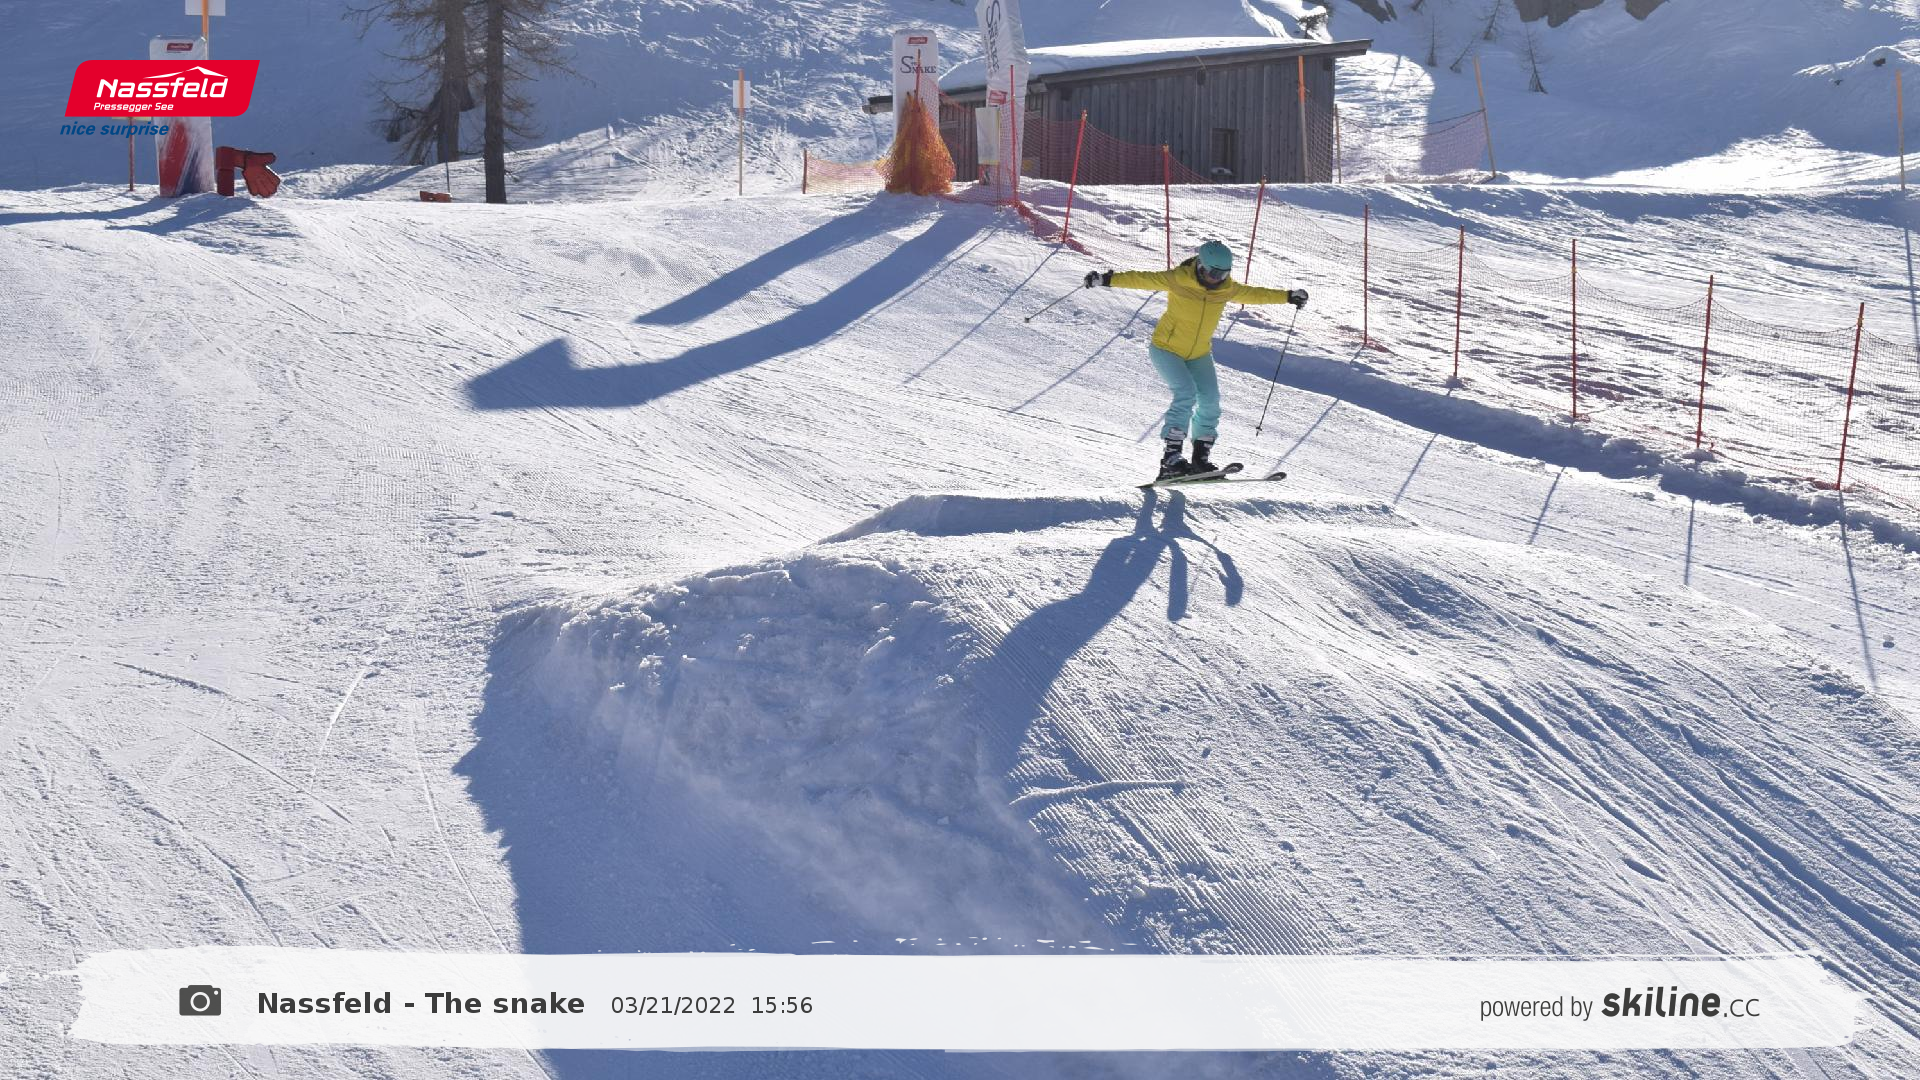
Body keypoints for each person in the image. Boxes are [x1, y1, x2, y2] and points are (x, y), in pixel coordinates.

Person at [1085, 240, 1308, 480]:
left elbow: (1255, 294)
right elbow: (1141, 279)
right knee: (1186, 393)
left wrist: (1288, 296)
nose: (1216, 278)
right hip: (1166, 349)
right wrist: (1105, 279)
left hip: (1199, 353)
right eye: (1213, 272)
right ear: (1200, 266)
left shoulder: (1226, 288)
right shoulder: (1178, 279)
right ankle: (1171, 458)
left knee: (1210, 400)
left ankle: (1200, 458)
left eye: (1223, 274)